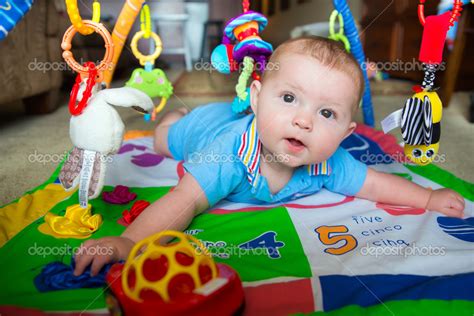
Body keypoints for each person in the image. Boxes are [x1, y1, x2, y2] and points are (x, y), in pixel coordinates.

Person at [73, 36, 465, 276]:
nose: (303, 121)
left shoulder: (329, 160)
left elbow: (377, 183)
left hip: (238, 122)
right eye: (290, 98)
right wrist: (128, 243)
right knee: (164, 138)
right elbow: (183, 202)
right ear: (258, 98)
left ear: (346, 134)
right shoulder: (226, 156)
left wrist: (428, 198)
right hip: (205, 128)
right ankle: (176, 117)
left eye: (326, 113)